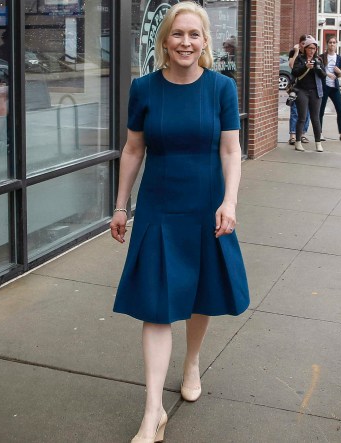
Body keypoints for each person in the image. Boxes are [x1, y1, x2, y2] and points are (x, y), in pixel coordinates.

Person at [109, 3, 249, 442]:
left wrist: (230, 201)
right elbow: (133, 150)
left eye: (194, 34)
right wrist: (120, 206)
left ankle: (191, 361)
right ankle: (153, 413)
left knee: (200, 294)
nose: (186, 42)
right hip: (159, 205)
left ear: (204, 41)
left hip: (207, 203)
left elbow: (231, 150)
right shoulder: (144, 89)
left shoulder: (222, 88)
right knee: (157, 304)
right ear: (164, 41)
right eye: (177, 34)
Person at [291, 36, 326, 152]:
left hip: (315, 91)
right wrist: (305, 67)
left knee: (315, 118)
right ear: (305, 48)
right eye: (310, 48)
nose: (312, 51)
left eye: (314, 49)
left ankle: (318, 143)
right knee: (302, 117)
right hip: (302, 91)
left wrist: (317, 68)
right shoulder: (300, 59)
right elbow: (295, 73)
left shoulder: (319, 60)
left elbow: (323, 75)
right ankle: (298, 142)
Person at [319, 36, 341, 142]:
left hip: (334, 87)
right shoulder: (321, 57)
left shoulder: (339, 58)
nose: (332, 44)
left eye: (334, 42)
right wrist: (327, 74)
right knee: (321, 111)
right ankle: (319, 133)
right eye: (330, 42)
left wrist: (339, 73)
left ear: (336, 44)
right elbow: (319, 72)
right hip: (324, 86)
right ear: (327, 44)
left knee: (340, 110)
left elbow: (338, 75)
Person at [288, 34, 310, 145]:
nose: (304, 46)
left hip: (308, 86)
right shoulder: (294, 53)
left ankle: (302, 134)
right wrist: (296, 52)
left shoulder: (310, 54)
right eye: (302, 43)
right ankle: (292, 135)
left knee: (307, 112)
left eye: (306, 44)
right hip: (296, 86)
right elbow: (291, 65)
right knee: (295, 111)